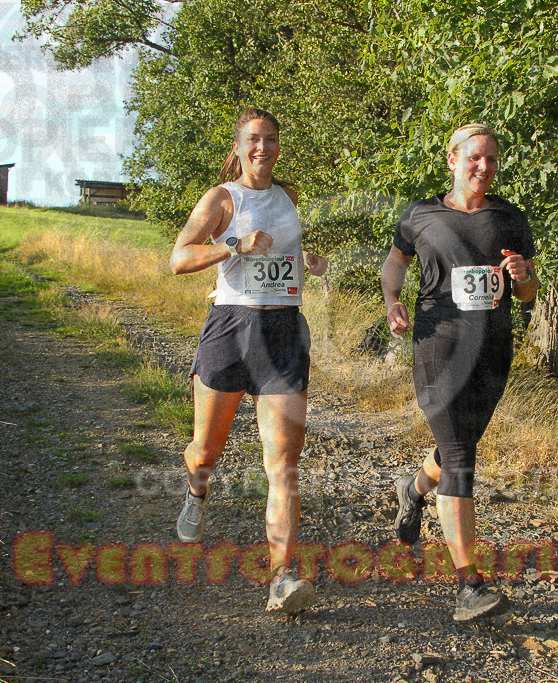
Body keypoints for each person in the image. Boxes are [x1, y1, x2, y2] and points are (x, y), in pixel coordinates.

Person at [169, 107, 328, 614]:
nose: (263, 148)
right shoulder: (222, 199)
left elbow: (283, 251)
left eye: (271, 140)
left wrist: (307, 260)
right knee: (206, 451)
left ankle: (282, 576)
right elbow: (179, 258)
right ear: (238, 147)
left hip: (283, 331)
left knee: (283, 464)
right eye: (254, 140)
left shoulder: (289, 197)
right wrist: (232, 245)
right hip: (231, 328)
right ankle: (196, 492)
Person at [382, 123, 537, 621]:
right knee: (459, 457)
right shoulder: (420, 214)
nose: (484, 168)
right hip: (436, 346)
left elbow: (529, 293)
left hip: (493, 348)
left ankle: (412, 491)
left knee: (460, 448)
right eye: (474, 159)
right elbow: (395, 262)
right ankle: (469, 585)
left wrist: (523, 278)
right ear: (452, 159)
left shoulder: (509, 218)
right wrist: (392, 300)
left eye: (491, 160)